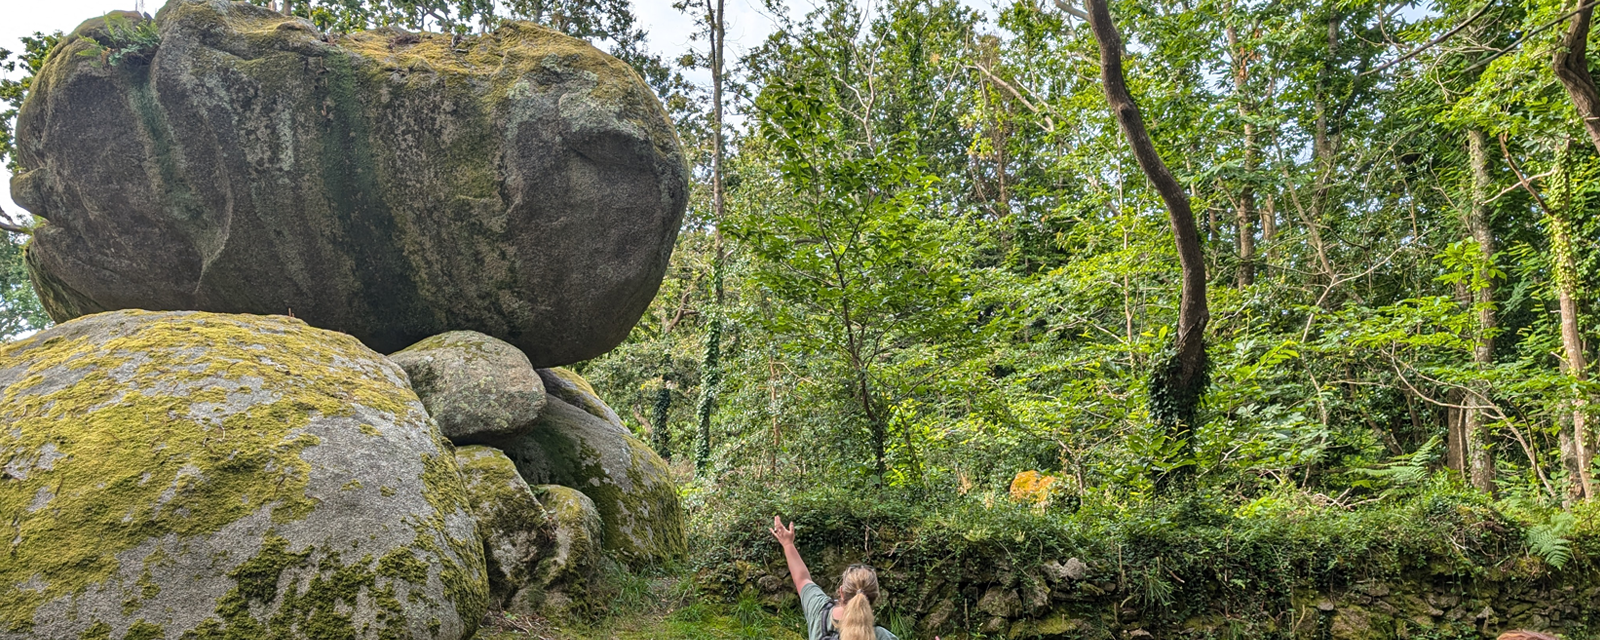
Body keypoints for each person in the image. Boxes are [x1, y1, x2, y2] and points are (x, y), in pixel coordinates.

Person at [770, 516, 899, 640]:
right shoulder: (883, 636)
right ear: (875, 598)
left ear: (842, 592)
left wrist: (787, 544)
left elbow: (802, 579)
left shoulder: (819, 611)